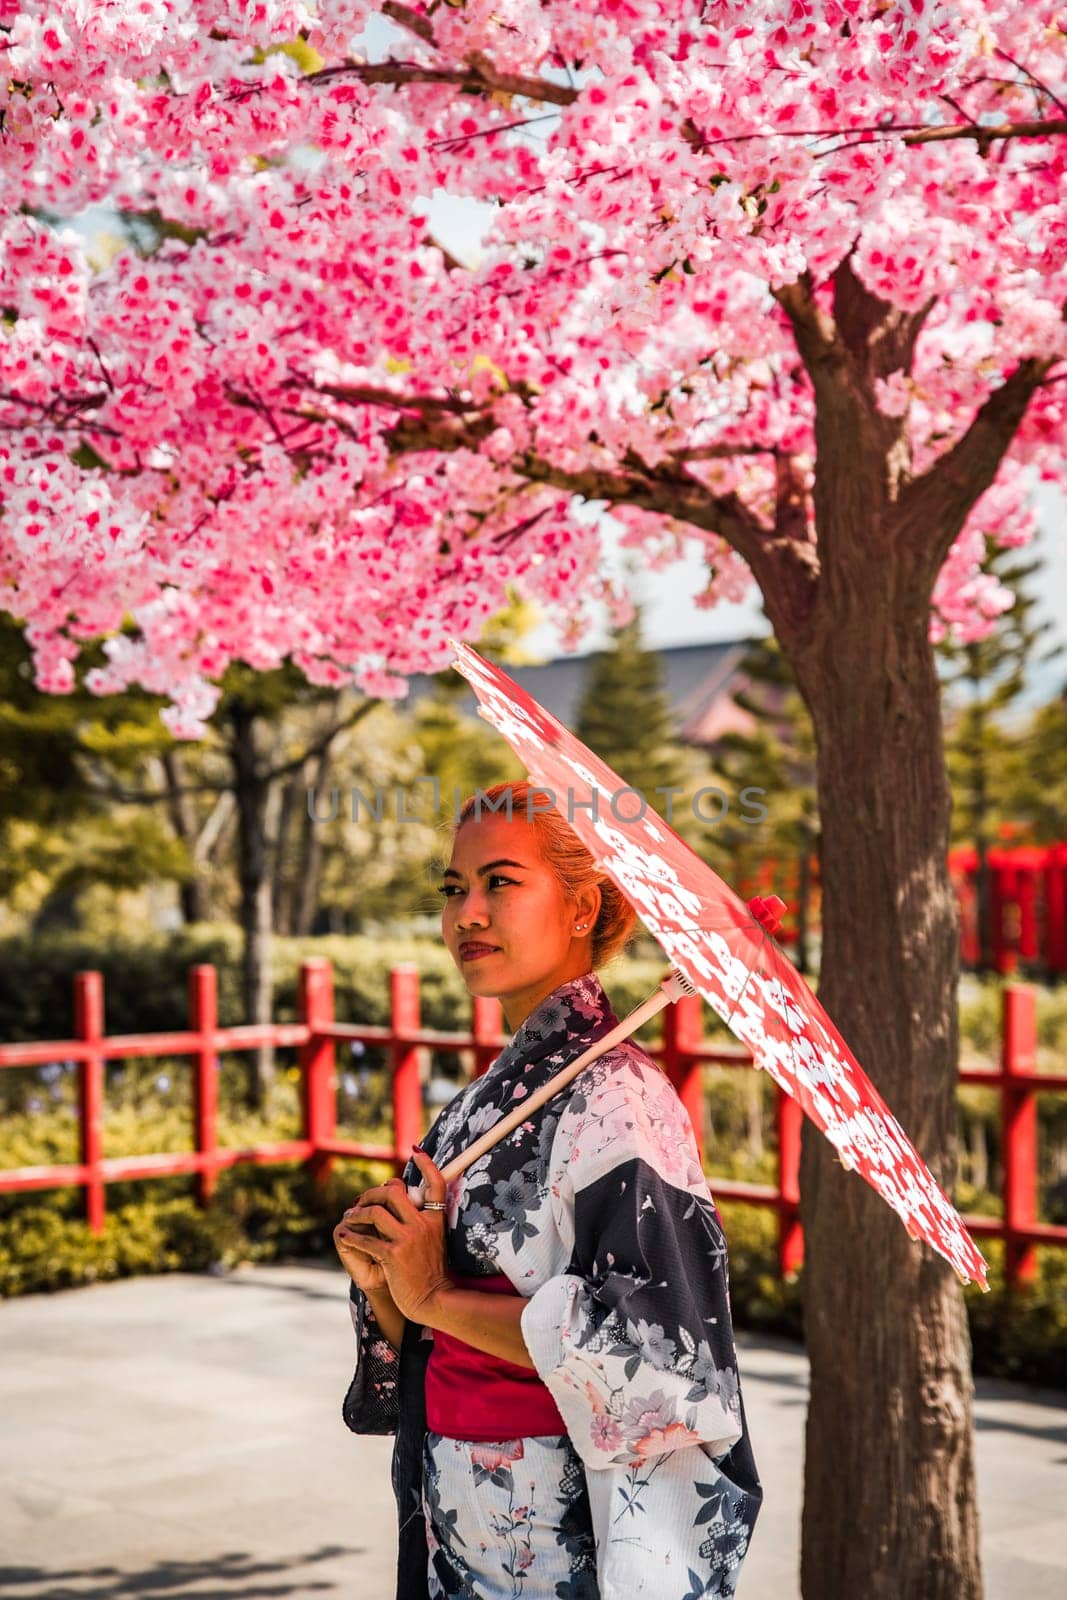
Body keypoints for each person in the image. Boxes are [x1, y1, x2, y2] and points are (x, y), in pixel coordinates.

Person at [336, 782, 762, 1600]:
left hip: (562, 1526)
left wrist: (429, 1294)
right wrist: (387, 1280)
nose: (466, 913)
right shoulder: (490, 1099)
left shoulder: (620, 1101)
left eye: (500, 882)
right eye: (453, 888)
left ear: (580, 907)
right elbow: (427, 1332)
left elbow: (658, 1360)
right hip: (458, 1513)